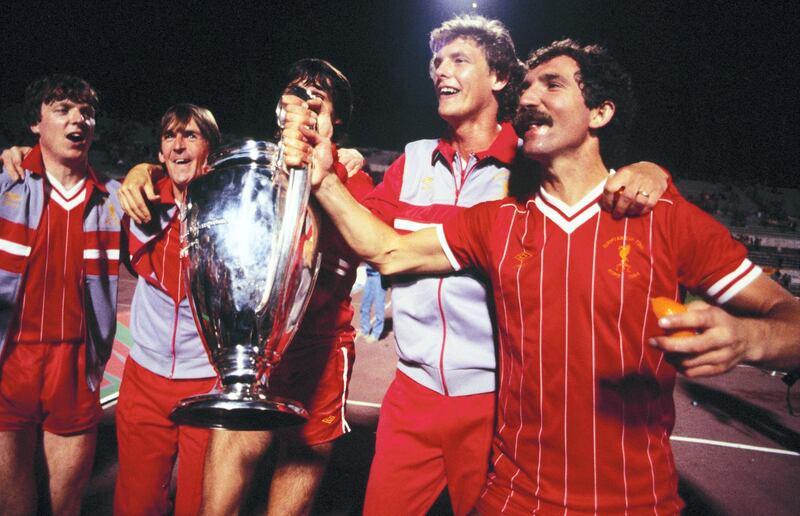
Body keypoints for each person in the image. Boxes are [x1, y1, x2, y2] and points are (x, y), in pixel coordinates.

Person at [284, 39, 800, 514]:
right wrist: (325, 176)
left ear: (600, 112)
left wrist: (750, 336)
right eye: (527, 85)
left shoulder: (661, 214)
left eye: (551, 84)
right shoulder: (500, 222)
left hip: (634, 501)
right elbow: (389, 251)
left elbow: (789, 318)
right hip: (512, 497)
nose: (529, 95)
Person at [114, 58, 374, 515]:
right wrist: (143, 169)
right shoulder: (255, 176)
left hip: (319, 352)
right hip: (253, 354)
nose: (303, 112)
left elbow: (378, 247)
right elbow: (187, 179)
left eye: (317, 106)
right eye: (294, 101)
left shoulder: (358, 184)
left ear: (338, 124)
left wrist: (331, 173)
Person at [0, 75, 122, 515]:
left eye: (86, 112)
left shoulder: (115, 198)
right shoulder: (5, 183)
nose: (78, 120)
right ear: (35, 124)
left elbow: (178, 195)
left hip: (75, 365)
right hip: (10, 362)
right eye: (63, 110)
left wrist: (147, 169)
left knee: (64, 506)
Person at [113, 104, 221, 515]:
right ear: (158, 152)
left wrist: (346, 155)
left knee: (200, 502)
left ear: (210, 147)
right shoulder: (136, 200)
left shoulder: (231, 208)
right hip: (144, 377)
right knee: (136, 503)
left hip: (207, 381)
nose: (178, 145)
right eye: (169, 137)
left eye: (191, 135)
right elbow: (67, 174)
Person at [359, 263, 386, 342]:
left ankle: (376, 334)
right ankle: (364, 330)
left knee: (379, 306)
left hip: (379, 276)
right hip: (369, 273)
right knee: (364, 305)